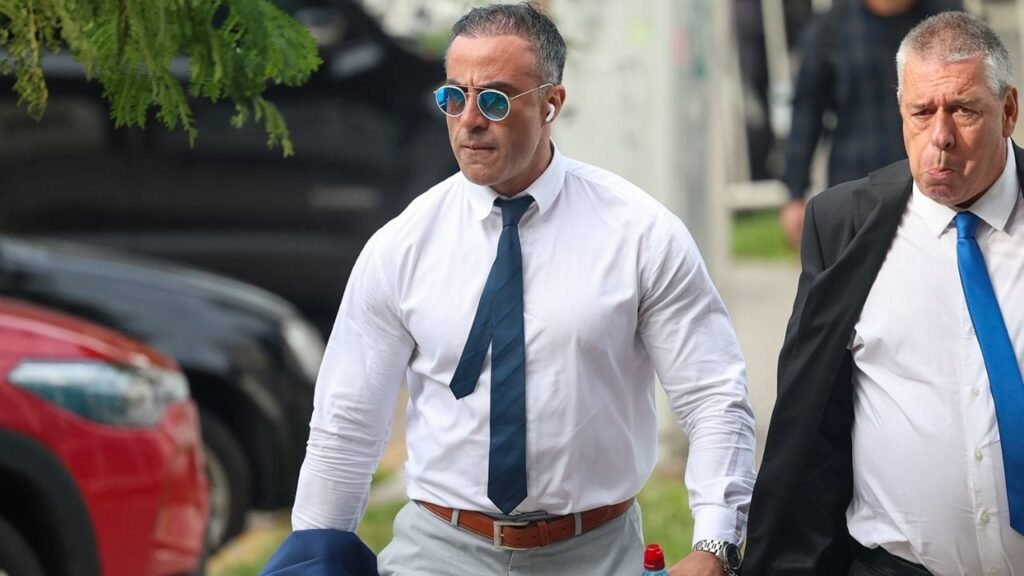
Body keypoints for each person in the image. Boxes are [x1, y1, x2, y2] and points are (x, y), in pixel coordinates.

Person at [289, 2, 756, 575]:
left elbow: (713, 396)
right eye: (453, 97)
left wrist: (716, 546)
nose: (468, 120)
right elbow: (347, 424)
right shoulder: (402, 245)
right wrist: (311, 557)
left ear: (551, 103)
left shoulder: (640, 234)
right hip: (437, 551)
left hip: (596, 552)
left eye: (494, 99)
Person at [745, 11, 1024, 576]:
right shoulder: (843, 227)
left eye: (964, 110)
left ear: (1009, 111)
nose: (940, 137)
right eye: (921, 112)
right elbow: (809, 423)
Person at [779, 0, 962, 249]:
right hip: (858, 193)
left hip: (937, 192)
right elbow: (806, 112)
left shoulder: (948, 20)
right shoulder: (832, 28)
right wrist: (795, 194)